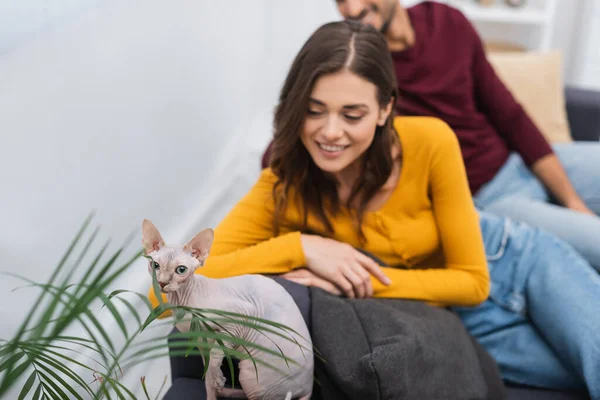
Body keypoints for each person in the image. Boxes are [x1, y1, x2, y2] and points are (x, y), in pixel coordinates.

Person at [151, 20, 600, 396]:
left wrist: (357, 282)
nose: (330, 132)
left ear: (385, 109)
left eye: (352, 114)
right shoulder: (281, 185)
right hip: (459, 325)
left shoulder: (430, 141)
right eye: (314, 110)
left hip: (513, 260)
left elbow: (472, 281)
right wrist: (299, 248)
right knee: (579, 376)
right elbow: (165, 293)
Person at [261, 0, 600, 270]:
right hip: (484, 198)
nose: (350, 8)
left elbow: (510, 115)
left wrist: (571, 200)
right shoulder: (363, 72)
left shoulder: (448, 22)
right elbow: (283, 145)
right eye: (340, 0)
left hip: (519, 161)